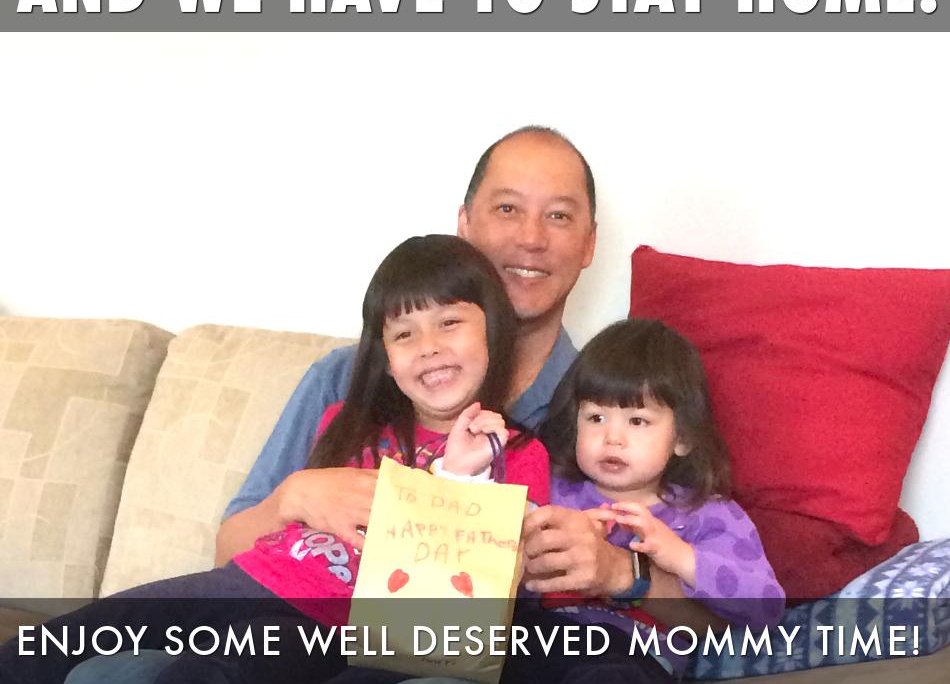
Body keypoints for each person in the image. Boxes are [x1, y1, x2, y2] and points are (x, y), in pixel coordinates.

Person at [64, 124, 599, 684]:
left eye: (559, 215)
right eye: (508, 208)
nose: (531, 238)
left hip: (424, 645)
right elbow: (233, 552)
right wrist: (295, 496)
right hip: (275, 622)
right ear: (465, 224)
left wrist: (615, 568)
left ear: (589, 243)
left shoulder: (606, 412)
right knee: (110, 669)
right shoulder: (345, 384)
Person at [1, 235, 550, 684]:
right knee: (79, 631)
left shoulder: (518, 453)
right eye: (404, 334)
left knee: (221, 668)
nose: (428, 345)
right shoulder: (345, 423)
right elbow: (250, 537)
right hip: (254, 580)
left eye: (450, 323)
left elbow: (483, 587)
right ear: (385, 359)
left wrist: (460, 474)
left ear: (493, 331)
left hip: (340, 628)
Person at [502, 319, 785, 683]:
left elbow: (765, 607)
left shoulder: (706, 513)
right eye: (596, 417)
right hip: (537, 639)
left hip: (634, 654)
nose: (613, 438)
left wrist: (680, 556)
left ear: (682, 438)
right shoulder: (552, 490)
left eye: (637, 421)